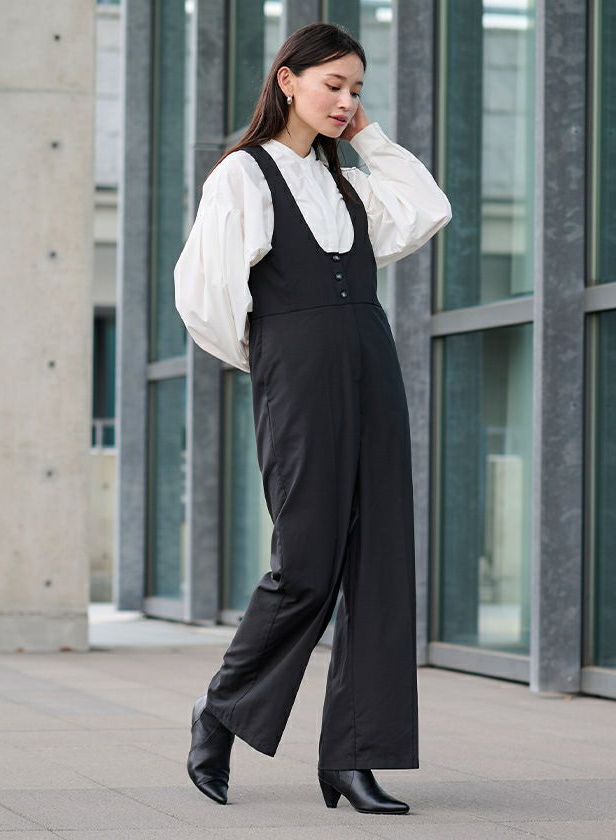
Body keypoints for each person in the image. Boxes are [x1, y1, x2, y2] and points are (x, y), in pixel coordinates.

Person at [174, 21, 452, 815]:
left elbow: (428, 207)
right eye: (333, 85)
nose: (345, 101)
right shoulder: (243, 174)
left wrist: (368, 136)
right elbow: (205, 295)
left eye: (356, 88)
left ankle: (355, 758)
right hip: (296, 368)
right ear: (287, 80)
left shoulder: (345, 182)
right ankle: (221, 712)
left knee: (380, 559)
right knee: (304, 562)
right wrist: (275, 363)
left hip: (370, 360)